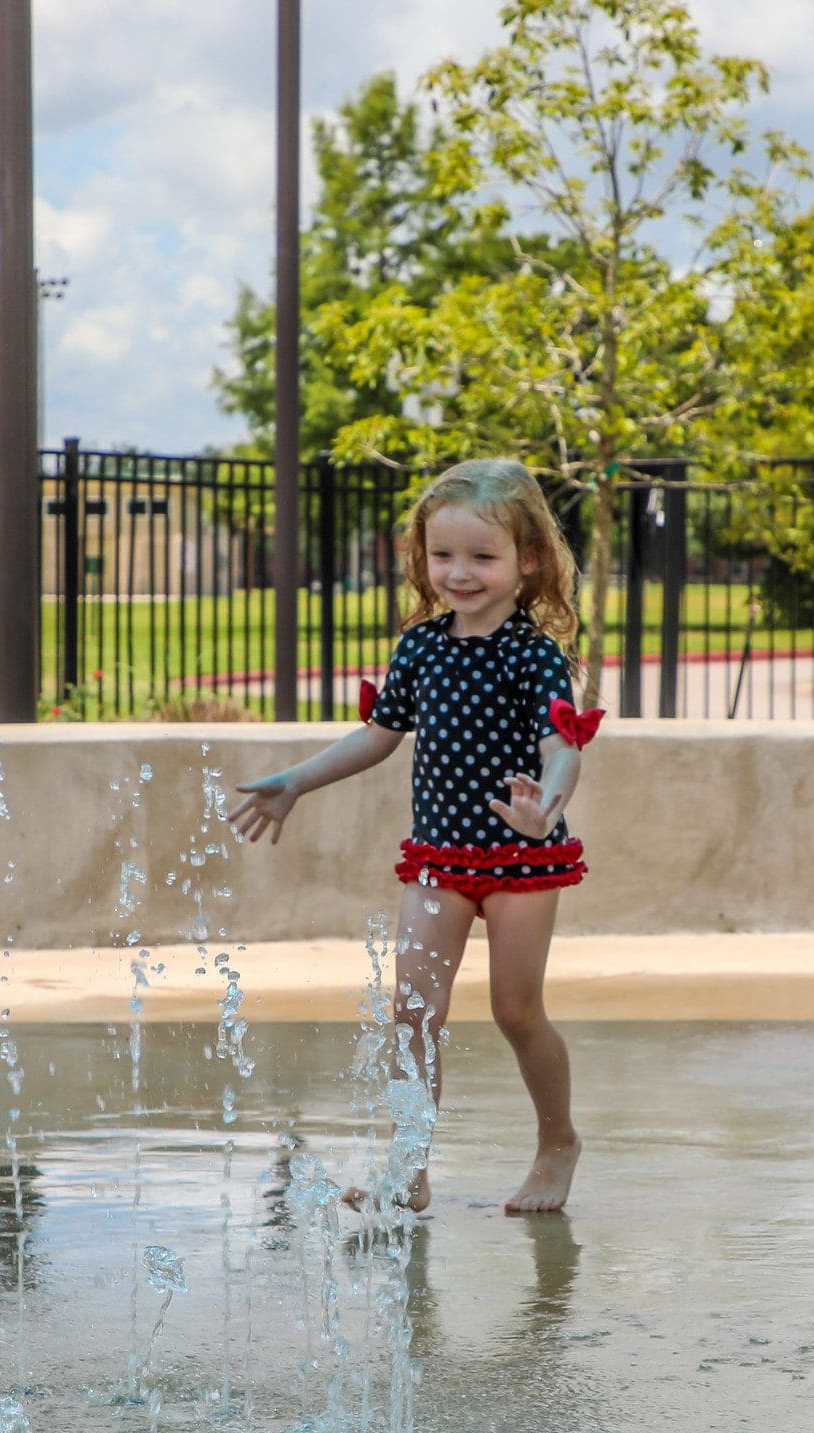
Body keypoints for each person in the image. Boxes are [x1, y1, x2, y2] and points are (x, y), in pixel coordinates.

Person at [229, 458, 603, 1216]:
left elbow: (563, 745)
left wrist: (548, 803)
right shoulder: (423, 648)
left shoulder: (535, 657)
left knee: (516, 1011)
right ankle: (410, 1164)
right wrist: (297, 779)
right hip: (437, 857)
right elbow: (377, 737)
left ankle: (558, 1141)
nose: (459, 574)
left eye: (482, 557)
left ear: (527, 561)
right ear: (421, 558)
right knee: (414, 1011)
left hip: (522, 858)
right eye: (443, 557)